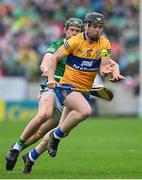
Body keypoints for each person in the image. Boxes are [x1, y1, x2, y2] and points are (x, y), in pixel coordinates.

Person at [21, 12, 126, 174]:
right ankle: (55, 136)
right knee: (85, 111)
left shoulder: (104, 44)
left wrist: (110, 72)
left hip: (83, 91)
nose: (98, 30)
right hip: (66, 87)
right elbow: (53, 59)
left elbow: (104, 67)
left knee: (65, 129)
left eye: (100, 27)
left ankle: (31, 156)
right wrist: (50, 79)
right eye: (95, 27)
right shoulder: (74, 41)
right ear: (87, 26)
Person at [5, 18, 83, 171]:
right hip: (52, 88)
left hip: (67, 94)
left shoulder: (82, 49)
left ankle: (28, 155)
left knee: (45, 133)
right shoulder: (57, 45)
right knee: (44, 114)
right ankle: (16, 148)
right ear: (65, 30)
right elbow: (46, 60)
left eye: (77, 31)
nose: (74, 33)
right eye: (71, 30)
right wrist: (48, 72)